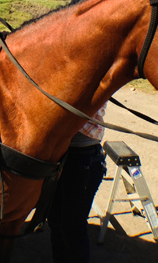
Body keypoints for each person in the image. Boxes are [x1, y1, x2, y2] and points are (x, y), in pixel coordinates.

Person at [47, 102, 107, 263]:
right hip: (59, 156)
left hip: (82, 158)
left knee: (72, 227)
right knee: (55, 221)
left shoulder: (92, 81)